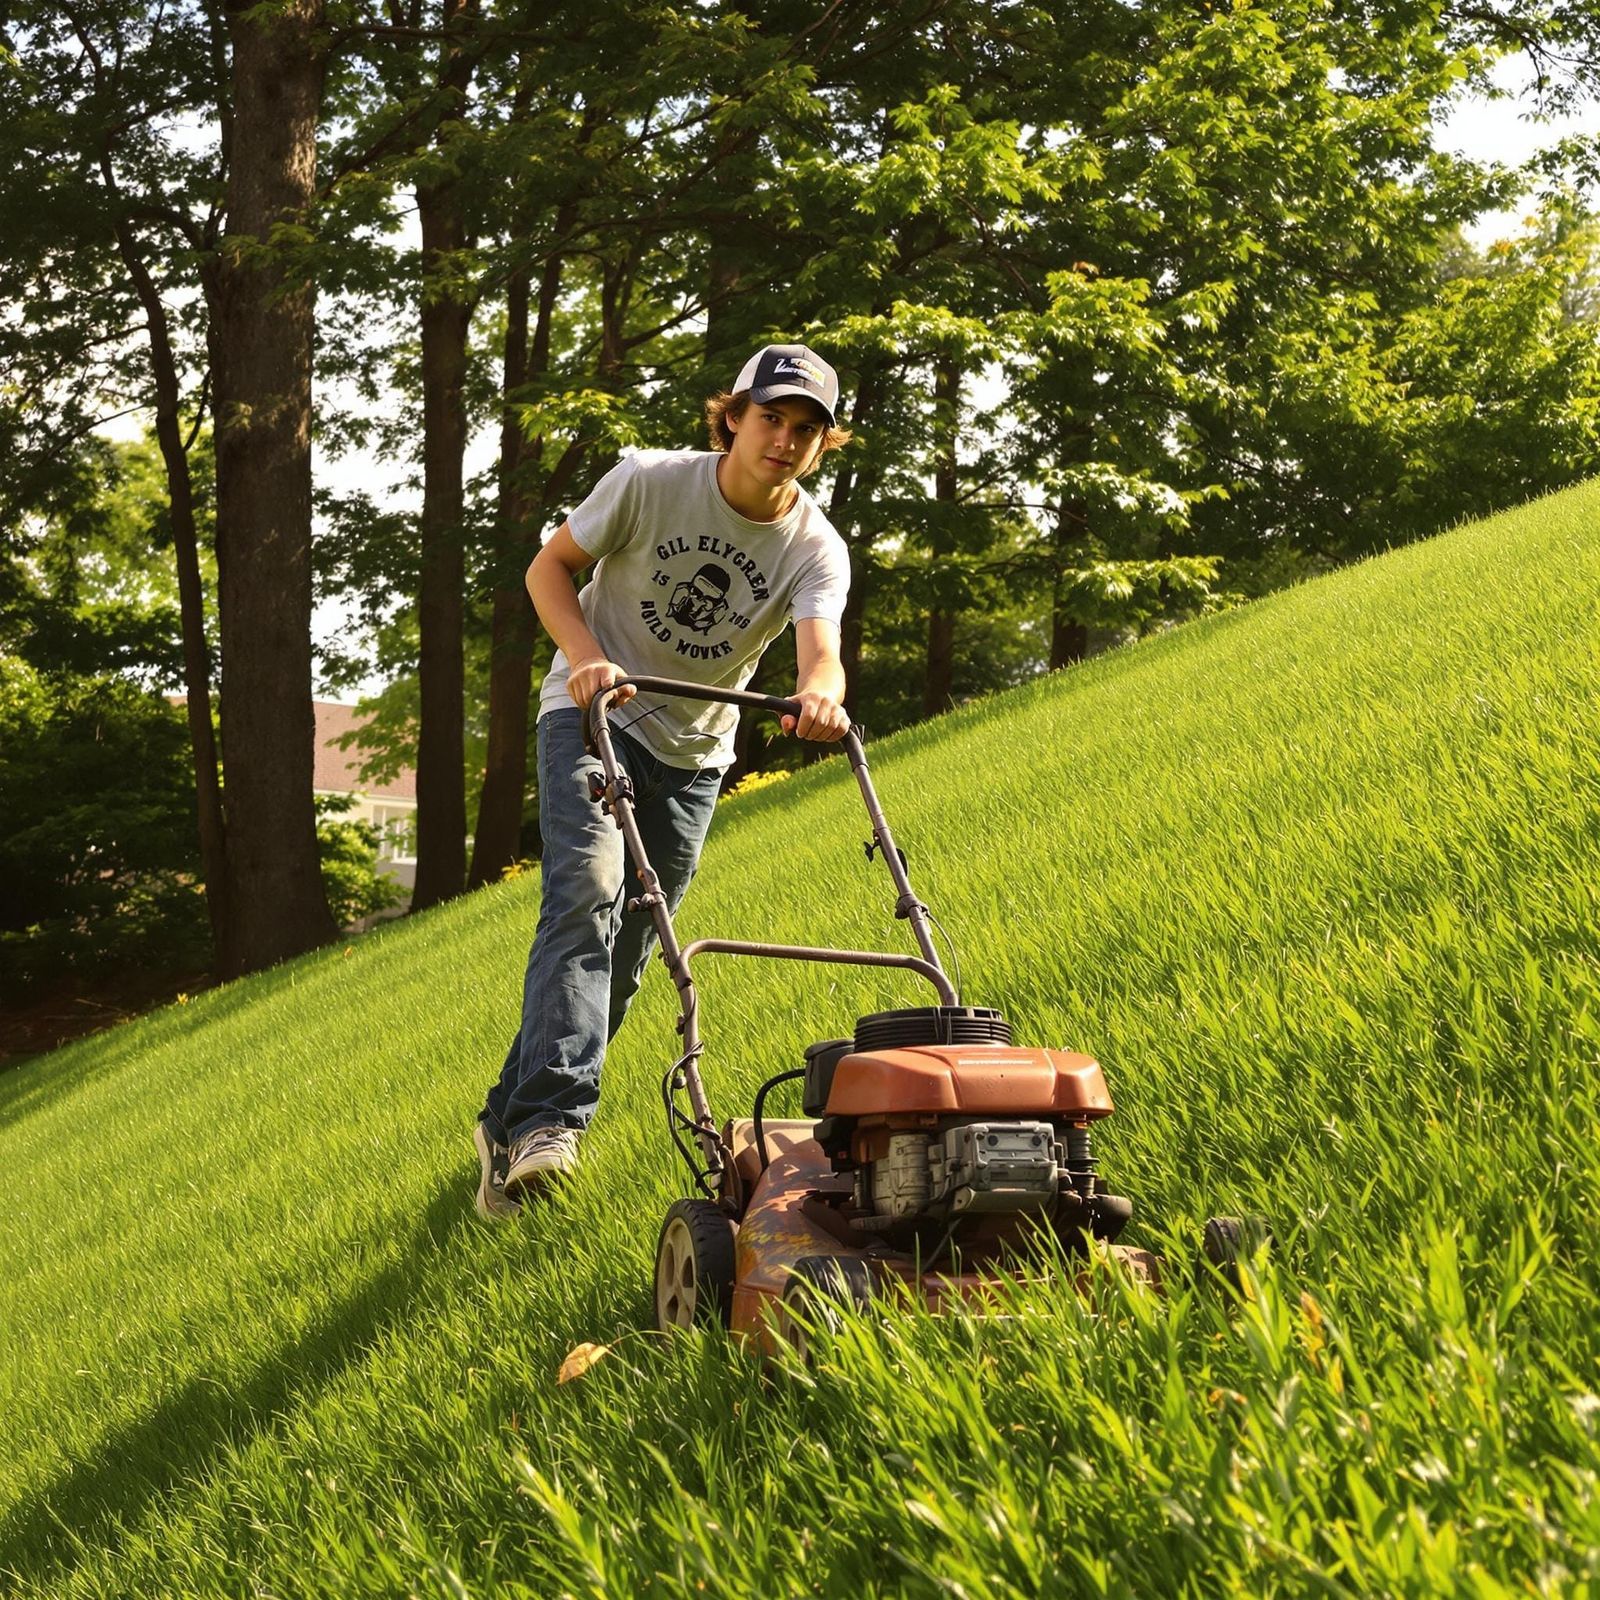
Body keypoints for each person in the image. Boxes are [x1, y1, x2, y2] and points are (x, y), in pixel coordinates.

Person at [474, 344, 854, 1218]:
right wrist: (586, 658)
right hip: (591, 713)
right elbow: (548, 566)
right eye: (771, 418)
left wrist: (820, 703)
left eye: (806, 430)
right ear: (733, 417)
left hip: (694, 754)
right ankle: (553, 1125)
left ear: (822, 445)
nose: (785, 440)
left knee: (635, 945)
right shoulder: (648, 481)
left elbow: (820, 657)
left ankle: (507, 1118)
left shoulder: (815, 547)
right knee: (588, 890)